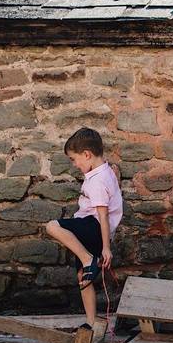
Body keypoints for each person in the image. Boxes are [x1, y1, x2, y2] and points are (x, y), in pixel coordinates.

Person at [45, 127, 122, 325]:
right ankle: (91, 322)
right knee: (84, 277)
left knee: (52, 227)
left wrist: (106, 248)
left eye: (74, 159)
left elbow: (103, 216)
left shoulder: (97, 181)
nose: (74, 164)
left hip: (92, 226)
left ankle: (88, 259)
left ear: (87, 154)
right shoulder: (106, 171)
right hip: (96, 229)